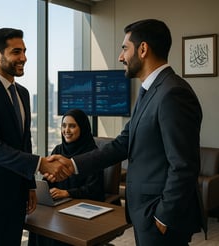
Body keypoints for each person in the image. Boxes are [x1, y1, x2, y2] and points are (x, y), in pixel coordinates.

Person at [47, 19, 204, 246]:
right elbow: (121, 145)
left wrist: (163, 215)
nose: (121, 57)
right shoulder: (149, 92)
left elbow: (184, 164)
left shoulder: (173, 93)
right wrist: (72, 164)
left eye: (124, 48)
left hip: (160, 215)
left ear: (143, 49)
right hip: (145, 213)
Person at [0, 27, 70, 246]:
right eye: (16, 52)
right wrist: (40, 164)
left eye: (24, 51)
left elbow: (24, 142)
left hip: (16, 195)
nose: (24, 58)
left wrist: (29, 186)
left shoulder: (22, 93)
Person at [28, 108, 105, 246]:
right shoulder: (58, 150)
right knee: (39, 226)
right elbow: (48, 181)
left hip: (81, 208)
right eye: (64, 126)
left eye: (72, 126)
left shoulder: (92, 155)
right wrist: (46, 190)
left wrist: (67, 193)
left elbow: (94, 189)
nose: (66, 130)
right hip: (58, 206)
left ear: (82, 128)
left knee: (56, 234)